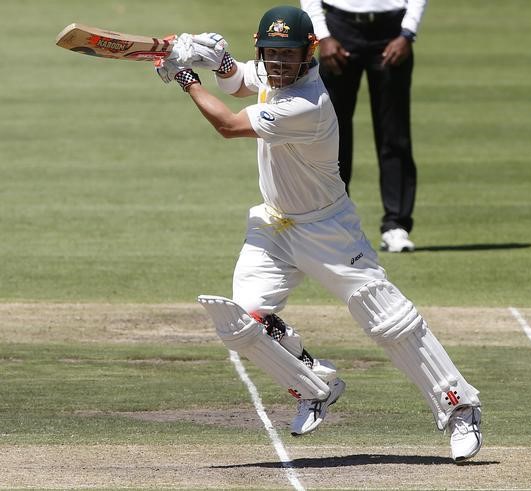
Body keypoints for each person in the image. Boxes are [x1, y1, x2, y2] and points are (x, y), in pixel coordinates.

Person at [155, 5, 481, 462]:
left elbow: (228, 125)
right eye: (271, 54)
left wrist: (186, 77)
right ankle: (315, 386)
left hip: (328, 229)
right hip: (273, 225)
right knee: (243, 321)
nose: (279, 63)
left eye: (288, 55)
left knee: (388, 321)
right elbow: (239, 80)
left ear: (309, 53)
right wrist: (218, 61)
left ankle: (460, 407)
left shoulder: (307, 103)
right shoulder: (273, 74)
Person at [300, 0, 426, 253]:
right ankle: (332, 222)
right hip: (338, 28)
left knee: (394, 132)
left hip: (392, 29)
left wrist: (407, 33)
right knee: (332, 134)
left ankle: (396, 225)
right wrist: (323, 36)